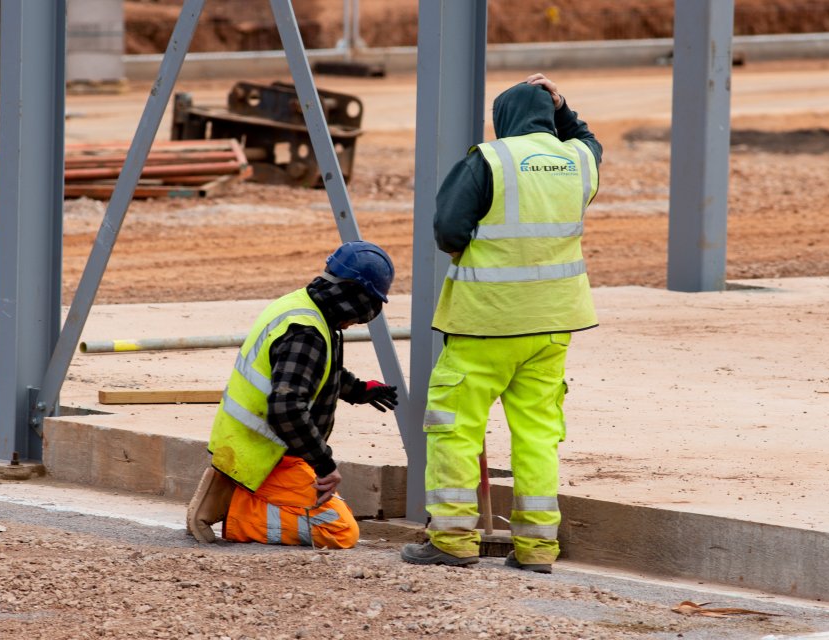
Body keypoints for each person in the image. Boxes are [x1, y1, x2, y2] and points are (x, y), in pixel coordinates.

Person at [400, 73, 602, 572]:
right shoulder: (578, 162)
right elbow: (588, 141)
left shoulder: (490, 159)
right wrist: (564, 104)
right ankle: (536, 549)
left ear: (504, 118)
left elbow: (448, 230)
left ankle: (452, 538)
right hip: (553, 325)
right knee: (537, 433)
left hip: (486, 322)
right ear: (549, 117)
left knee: (455, 426)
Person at [187, 241, 399, 549]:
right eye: (361, 314)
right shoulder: (307, 333)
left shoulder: (302, 307)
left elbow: (316, 373)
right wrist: (324, 464)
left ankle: (241, 493)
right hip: (270, 455)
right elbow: (286, 409)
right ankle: (238, 511)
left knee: (329, 509)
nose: (355, 323)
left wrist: (359, 390)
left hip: (255, 445)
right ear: (352, 298)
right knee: (340, 531)